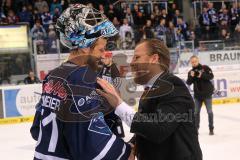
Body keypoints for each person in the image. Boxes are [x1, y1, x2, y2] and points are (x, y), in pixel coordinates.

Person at [30, 4, 132, 160]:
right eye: (101, 49)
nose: (103, 55)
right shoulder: (82, 79)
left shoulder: (52, 76)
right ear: (85, 47)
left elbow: (37, 129)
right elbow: (93, 147)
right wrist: (127, 151)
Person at [97, 39, 202, 160]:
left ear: (154, 59)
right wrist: (133, 145)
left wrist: (119, 105)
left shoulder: (173, 86)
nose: (131, 63)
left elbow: (158, 129)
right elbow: (147, 126)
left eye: (136, 57)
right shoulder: (152, 89)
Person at [186, 55, 215, 135]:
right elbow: (188, 82)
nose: (194, 63)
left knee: (209, 112)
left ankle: (211, 129)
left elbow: (211, 76)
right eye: (192, 62)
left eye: (195, 61)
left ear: (198, 61)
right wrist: (191, 76)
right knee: (196, 113)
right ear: (191, 63)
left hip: (207, 94)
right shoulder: (191, 72)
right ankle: (196, 129)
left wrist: (201, 75)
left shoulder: (205, 68)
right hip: (197, 96)